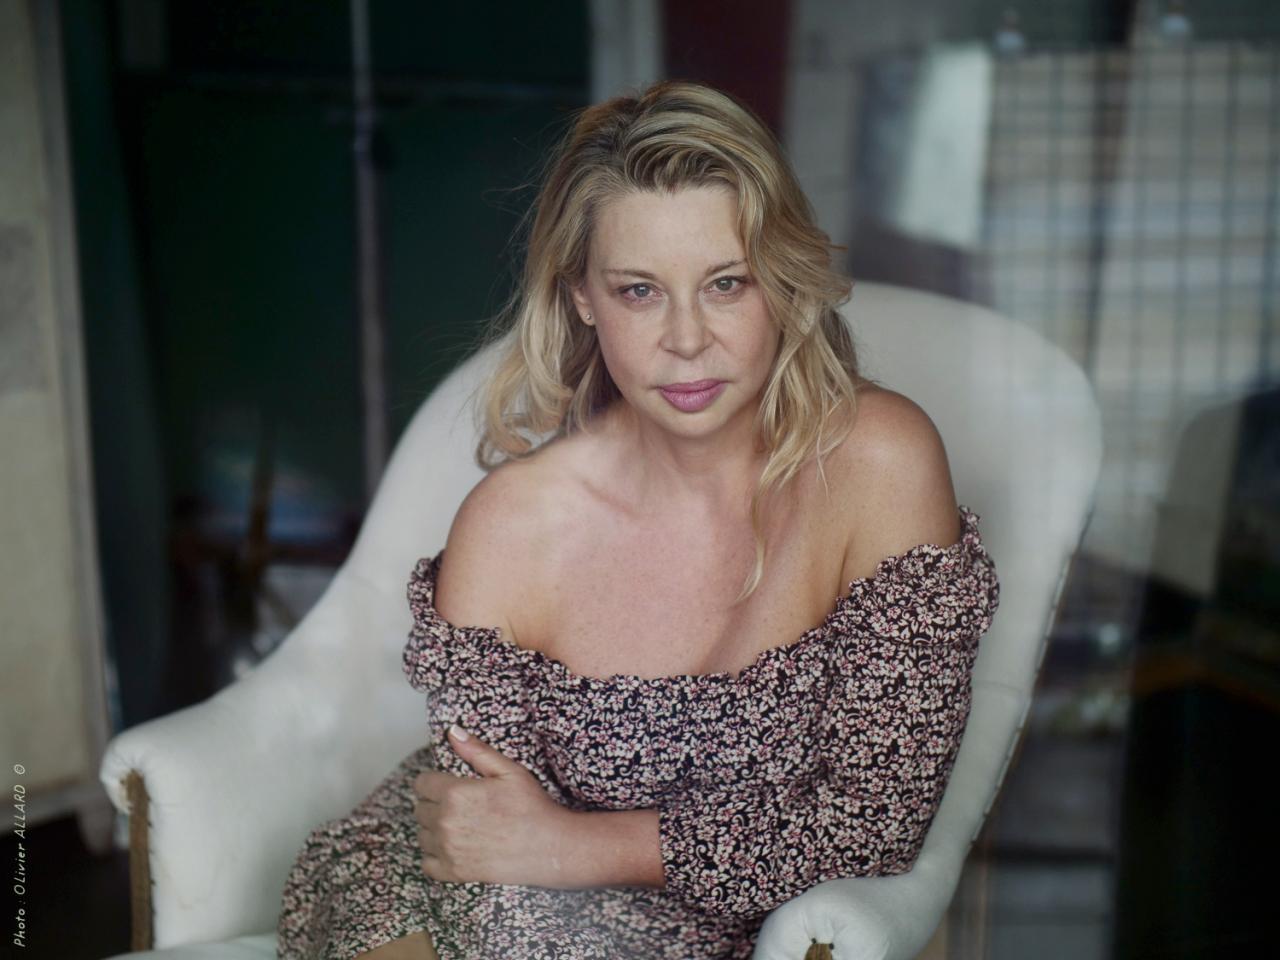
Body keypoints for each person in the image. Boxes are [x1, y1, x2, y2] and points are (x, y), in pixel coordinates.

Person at [276, 79, 1000, 960]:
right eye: (639, 292)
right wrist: (552, 852)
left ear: (780, 281)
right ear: (583, 297)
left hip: (626, 891)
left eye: (726, 284)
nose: (687, 340)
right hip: (471, 892)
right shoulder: (514, 525)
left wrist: (580, 844)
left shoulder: (878, 464)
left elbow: (876, 828)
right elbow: (495, 859)